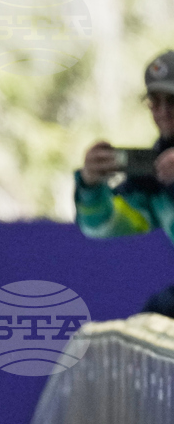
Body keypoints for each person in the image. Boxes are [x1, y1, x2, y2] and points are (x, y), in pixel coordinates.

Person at [76, 50, 174, 318]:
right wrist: (91, 186)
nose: (163, 112)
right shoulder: (155, 176)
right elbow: (101, 226)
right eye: (154, 101)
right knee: (150, 324)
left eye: (173, 101)